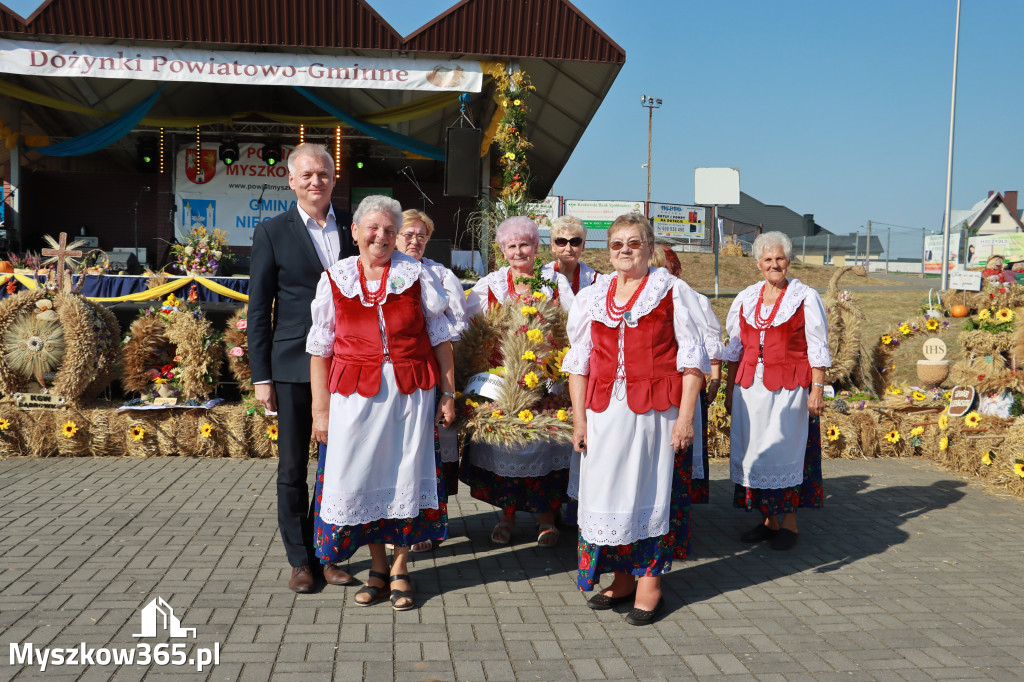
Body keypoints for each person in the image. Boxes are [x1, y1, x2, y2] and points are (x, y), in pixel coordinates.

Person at [306, 195, 456, 611]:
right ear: (354, 232)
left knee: (405, 476)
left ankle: (401, 568)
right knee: (364, 479)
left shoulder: (416, 275)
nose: (381, 236)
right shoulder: (335, 277)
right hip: (353, 398)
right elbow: (320, 350)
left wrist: (448, 393)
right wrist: (321, 412)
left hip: (410, 394)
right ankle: (376, 567)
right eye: (372, 228)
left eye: (389, 230)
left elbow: (441, 340)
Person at [564, 213, 708, 626]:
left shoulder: (672, 291)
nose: (625, 250)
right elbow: (579, 363)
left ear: (649, 247)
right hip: (605, 413)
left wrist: (685, 419)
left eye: (634, 243)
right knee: (608, 495)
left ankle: (650, 585)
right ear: (608, 251)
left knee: (648, 492)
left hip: (656, 414)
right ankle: (623, 579)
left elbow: (693, 360)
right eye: (617, 244)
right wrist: (580, 421)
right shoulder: (594, 294)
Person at [248, 143, 357, 593]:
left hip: (351, 365)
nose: (317, 182)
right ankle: (299, 560)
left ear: (334, 179)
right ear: (291, 181)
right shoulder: (272, 231)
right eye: (307, 175)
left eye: (324, 174)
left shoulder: (355, 228)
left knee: (341, 466)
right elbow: (259, 308)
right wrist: (261, 377)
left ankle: (327, 554)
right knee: (293, 467)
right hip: (293, 365)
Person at [463, 216, 574, 546]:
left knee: (546, 442)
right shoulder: (491, 285)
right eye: (511, 246)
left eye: (525, 244)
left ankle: (546, 518)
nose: (518, 251)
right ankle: (507, 516)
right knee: (509, 445)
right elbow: (467, 322)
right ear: (502, 250)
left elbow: (576, 322)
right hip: (504, 380)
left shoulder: (553, 281)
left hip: (546, 379)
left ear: (536, 247)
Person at [723, 231, 830, 551]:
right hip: (749, 389)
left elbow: (817, 346)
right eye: (768, 259)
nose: (774, 264)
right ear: (757, 264)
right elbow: (734, 349)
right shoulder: (745, 297)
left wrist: (818, 390)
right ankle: (767, 521)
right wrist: (728, 392)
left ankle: (790, 524)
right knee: (756, 453)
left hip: (788, 390)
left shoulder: (805, 297)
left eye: (780, 258)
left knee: (786, 451)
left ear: (789, 261)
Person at [396, 208, 468, 552]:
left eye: (421, 236)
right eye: (408, 234)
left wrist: (448, 389)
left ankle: (427, 525)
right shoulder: (382, 271)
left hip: (429, 374)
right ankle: (392, 525)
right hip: (391, 379)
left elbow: (455, 332)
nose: (415, 241)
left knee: (429, 454)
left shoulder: (440, 276)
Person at [540, 215, 597, 294]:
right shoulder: (541, 276)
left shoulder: (594, 280)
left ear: (583, 246)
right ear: (553, 246)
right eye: (561, 242)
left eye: (575, 242)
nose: (568, 249)